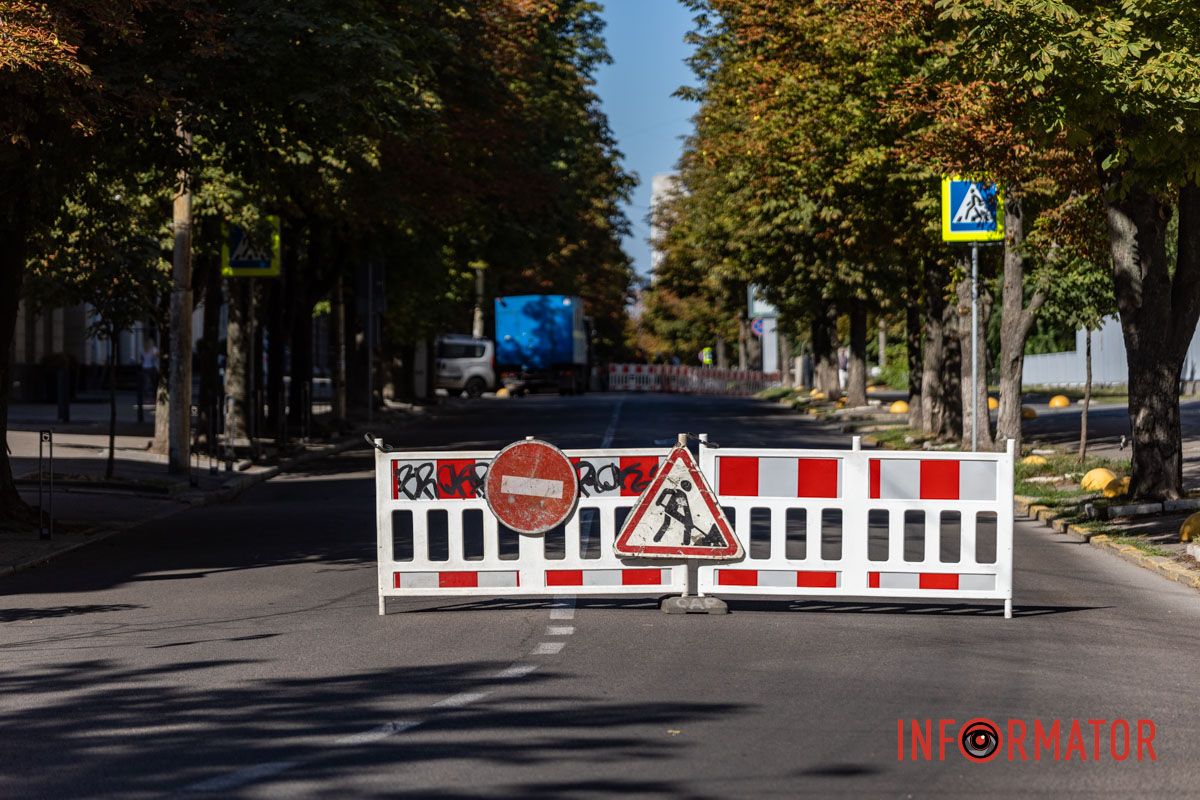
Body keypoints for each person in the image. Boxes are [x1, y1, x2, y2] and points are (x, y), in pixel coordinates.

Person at [137, 336, 158, 423]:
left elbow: (141, 359)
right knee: (152, 383)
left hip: (145, 368)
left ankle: (147, 397)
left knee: (146, 383)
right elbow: (156, 358)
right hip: (151, 368)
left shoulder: (143, 349)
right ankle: (153, 397)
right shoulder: (154, 349)